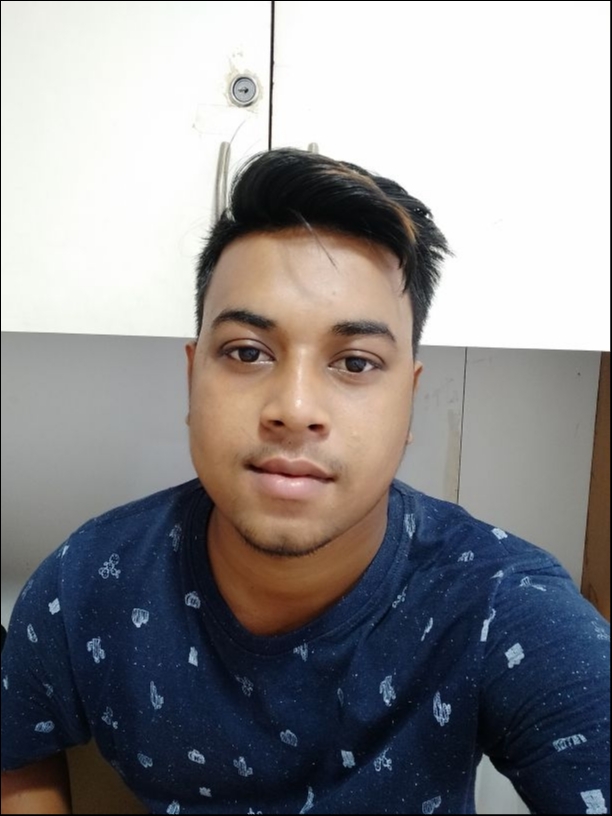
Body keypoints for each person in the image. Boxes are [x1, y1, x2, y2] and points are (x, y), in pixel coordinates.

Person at [1, 147, 609, 816]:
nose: (294, 409)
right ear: (193, 377)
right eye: (247, 352)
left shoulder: (501, 607)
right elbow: (16, 751)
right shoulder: (87, 585)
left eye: (355, 363)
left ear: (409, 402)